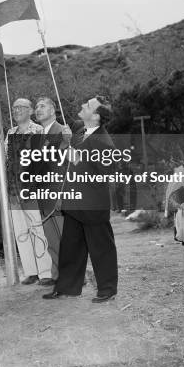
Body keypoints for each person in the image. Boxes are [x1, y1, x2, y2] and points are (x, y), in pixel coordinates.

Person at [43, 97, 118, 303]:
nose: (82, 106)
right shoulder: (81, 133)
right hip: (75, 203)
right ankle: (66, 287)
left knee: (101, 248)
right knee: (70, 248)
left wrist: (72, 149)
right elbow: (73, 158)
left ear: (95, 116)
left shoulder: (104, 141)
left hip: (93, 205)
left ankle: (107, 289)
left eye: (87, 105)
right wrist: (67, 143)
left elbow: (101, 169)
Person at [5, 98, 53, 285]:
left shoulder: (38, 131)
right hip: (14, 190)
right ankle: (31, 271)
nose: (17, 110)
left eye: (21, 107)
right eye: (14, 107)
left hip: (32, 190)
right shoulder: (10, 133)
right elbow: (6, 160)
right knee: (21, 231)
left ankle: (46, 272)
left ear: (31, 110)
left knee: (38, 230)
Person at [31, 97, 72, 285]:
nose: (38, 109)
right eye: (37, 107)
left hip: (58, 192)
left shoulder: (63, 131)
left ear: (53, 110)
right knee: (51, 238)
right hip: (42, 194)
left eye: (43, 106)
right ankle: (57, 274)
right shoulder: (38, 135)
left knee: (66, 236)